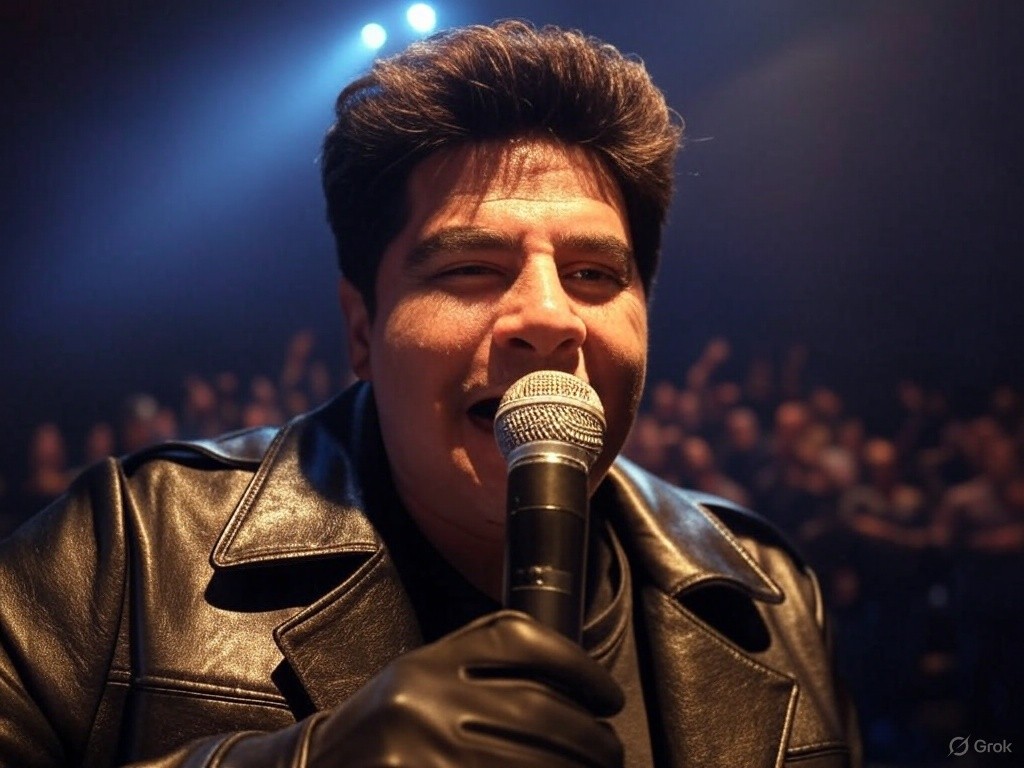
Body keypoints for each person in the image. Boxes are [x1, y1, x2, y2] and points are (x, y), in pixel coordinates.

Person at [0, 21, 860, 767]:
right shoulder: (135, 545)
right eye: (471, 269)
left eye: (595, 274)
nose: (549, 316)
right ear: (362, 330)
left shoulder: (768, 595)